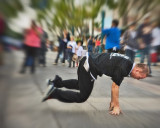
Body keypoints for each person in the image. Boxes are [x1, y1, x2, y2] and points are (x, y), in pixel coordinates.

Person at [42, 52, 149, 115]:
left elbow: (114, 86)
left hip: (88, 61)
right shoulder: (125, 68)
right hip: (89, 67)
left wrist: (113, 102)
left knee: (80, 84)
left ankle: (55, 82)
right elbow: (114, 87)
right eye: (140, 78)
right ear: (138, 71)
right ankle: (53, 92)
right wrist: (117, 106)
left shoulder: (128, 62)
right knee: (82, 96)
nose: (138, 79)